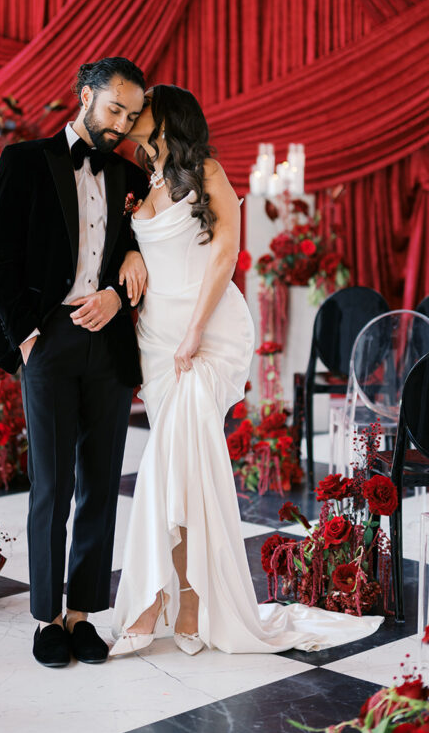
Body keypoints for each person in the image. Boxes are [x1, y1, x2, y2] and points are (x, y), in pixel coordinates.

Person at [110, 85, 382, 656]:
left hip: (205, 331)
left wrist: (192, 331)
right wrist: (130, 255)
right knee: (182, 463)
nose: (134, 117)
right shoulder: (139, 176)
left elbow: (226, 251)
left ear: (169, 119)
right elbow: (122, 245)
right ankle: (186, 597)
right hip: (156, 339)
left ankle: (154, 601)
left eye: (146, 110)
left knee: (165, 460)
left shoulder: (204, 169)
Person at [0, 57, 149, 668]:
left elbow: (139, 245)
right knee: (53, 482)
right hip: (47, 338)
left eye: (131, 115)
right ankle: (47, 616)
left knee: (102, 481)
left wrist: (122, 281)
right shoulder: (25, 162)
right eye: (113, 110)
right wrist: (27, 336)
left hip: (108, 341)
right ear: (85, 97)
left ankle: (82, 614)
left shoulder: (132, 174)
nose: (121, 124)